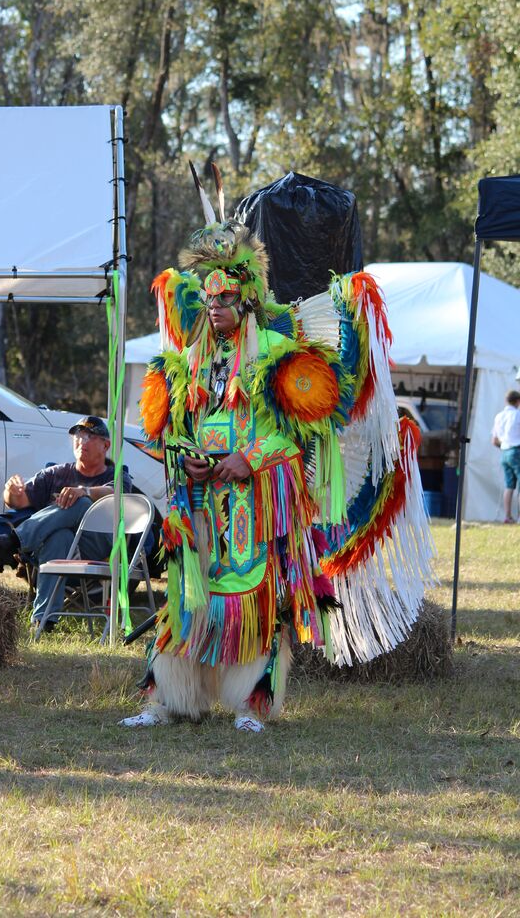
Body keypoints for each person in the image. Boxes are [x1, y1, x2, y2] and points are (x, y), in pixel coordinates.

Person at [120, 165, 434, 733]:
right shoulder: (192, 358)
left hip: (256, 498)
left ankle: (252, 703)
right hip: (201, 496)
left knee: (252, 590)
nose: (213, 306)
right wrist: (185, 455)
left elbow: (299, 430)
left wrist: (250, 458)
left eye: (224, 297)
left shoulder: (275, 347)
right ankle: (170, 699)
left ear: (245, 298)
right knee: (191, 588)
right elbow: (181, 421)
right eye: (206, 297)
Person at [0, 416, 131, 630]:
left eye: (89, 437)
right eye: (78, 437)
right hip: (61, 548)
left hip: (97, 546)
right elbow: (19, 501)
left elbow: (116, 493)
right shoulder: (55, 474)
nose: (81, 442)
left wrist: (84, 492)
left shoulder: (118, 475)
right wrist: (11, 492)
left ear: (105, 445)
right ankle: (44, 620)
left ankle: (16, 539)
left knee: (80, 502)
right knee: (60, 536)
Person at [491, 389, 520, 523]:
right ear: (518, 401)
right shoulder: (517, 414)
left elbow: (494, 440)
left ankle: (507, 516)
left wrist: (505, 447)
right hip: (516, 449)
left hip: (504, 451)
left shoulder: (499, 416)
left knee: (509, 485)